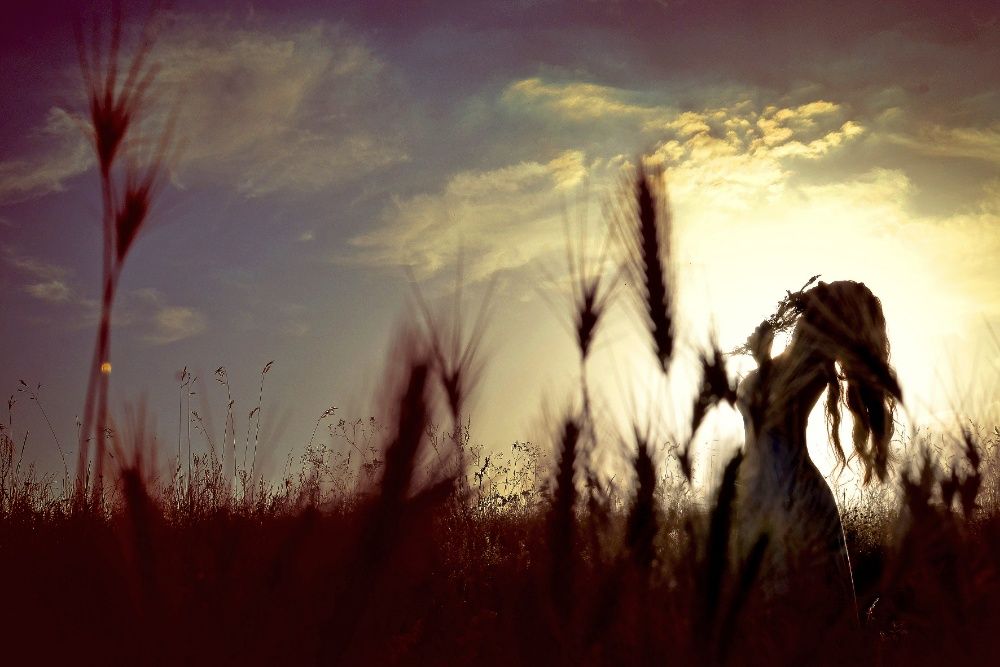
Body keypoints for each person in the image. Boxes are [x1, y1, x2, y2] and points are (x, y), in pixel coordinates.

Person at [732, 280, 902, 660]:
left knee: (800, 620)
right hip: (766, 491)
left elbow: (771, 417)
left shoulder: (816, 369)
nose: (817, 292)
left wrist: (761, 359)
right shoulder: (793, 361)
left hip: (789, 495)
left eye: (823, 298)